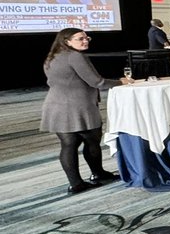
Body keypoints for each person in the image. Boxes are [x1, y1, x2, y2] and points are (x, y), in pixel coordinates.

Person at [40, 28, 129, 194]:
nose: (85, 41)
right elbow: (98, 82)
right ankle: (98, 174)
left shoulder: (53, 56)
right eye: (80, 38)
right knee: (91, 142)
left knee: (68, 145)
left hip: (55, 106)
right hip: (78, 107)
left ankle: (75, 184)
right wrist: (122, 82)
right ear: (67, 41)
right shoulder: (75, 56)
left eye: (87, 37)